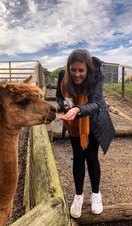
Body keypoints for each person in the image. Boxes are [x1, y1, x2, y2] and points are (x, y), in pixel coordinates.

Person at [56, 49, 115, 218]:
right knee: (78, 157)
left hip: (93, 120)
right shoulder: (63, 75)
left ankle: (96, 194)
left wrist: (77, 109)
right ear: (68, 68)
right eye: (73, 69)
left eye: (81, 70)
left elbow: (96, 102)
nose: (76, 74)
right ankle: (78, 196)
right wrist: (64, 106)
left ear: (88, 68)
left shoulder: (97, 76)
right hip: (74, 123)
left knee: (91, 157)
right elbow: (59, 96)